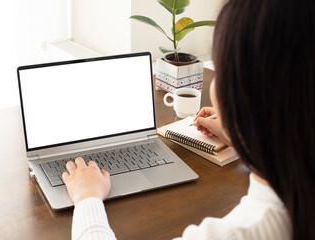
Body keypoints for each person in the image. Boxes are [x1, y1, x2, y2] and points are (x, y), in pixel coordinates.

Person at [62, 0, 315, 239]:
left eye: (222, 68)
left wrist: (87, 198)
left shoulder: (246, 231)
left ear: (247, 97)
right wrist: (244, 135)